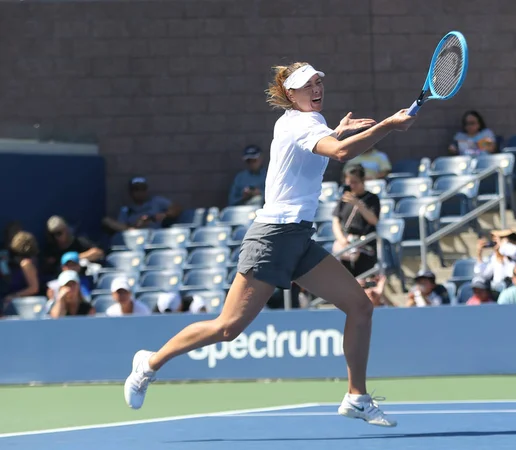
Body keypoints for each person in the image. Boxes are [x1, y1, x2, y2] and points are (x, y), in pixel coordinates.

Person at [123, 61, 416, 426]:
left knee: (360, 308)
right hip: (273, 237)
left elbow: (322, 149)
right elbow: (340, 155)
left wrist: (337, 131)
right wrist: (388, 125)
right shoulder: (299, 122)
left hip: (298, 238)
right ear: (290, 94)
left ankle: (357, 396)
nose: (317, 88)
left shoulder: (307, 123)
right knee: (227, 328)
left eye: (319, 81)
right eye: (307, 84)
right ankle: (149, 363)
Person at [332, 165, 380, 277]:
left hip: (365, 244)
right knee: (345, 278)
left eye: (355, 182)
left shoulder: (372, 198)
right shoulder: (343, 199)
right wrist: (342, 239)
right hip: (346, 244)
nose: (352, 186)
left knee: (364, 279)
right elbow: (336, 221)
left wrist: (358, 204)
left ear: (362, 181)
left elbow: (373, 220)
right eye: (349, 182)